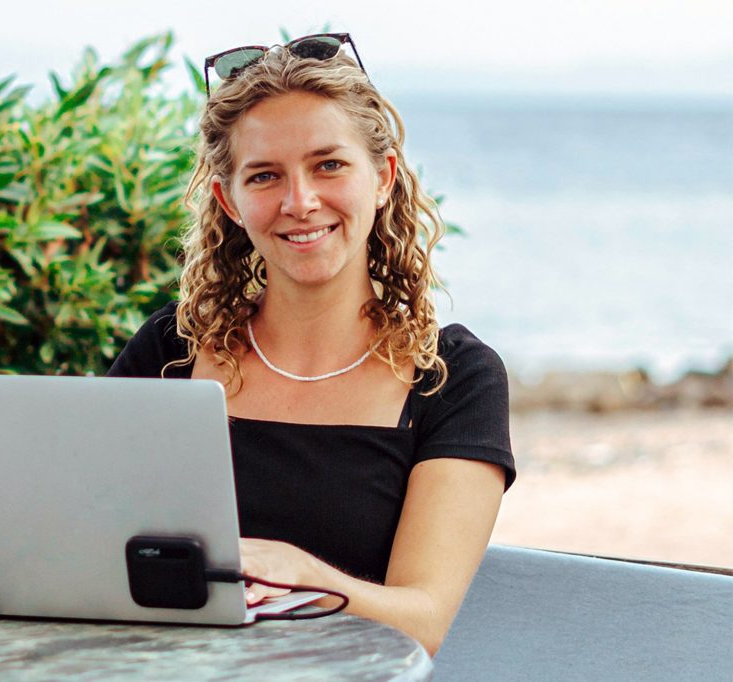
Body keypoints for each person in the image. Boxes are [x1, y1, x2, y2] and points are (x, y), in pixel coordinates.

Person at [107, 33, 514, 656]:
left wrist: (307, 577)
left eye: (329, 165)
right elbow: (90, 550)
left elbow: (423, 621)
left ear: (382, 178)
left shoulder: (452, 376)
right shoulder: (171, 349)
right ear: (230, 201)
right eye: (264, 175)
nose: (300, 202)